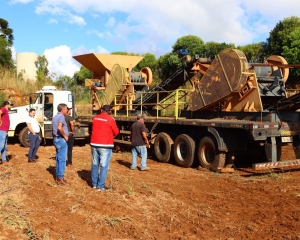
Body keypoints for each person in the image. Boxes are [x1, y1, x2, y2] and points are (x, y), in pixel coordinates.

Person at [90, 105, 119, 191]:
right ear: (109, 111)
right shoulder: (110, 119)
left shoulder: (95, 118)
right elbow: (116, 131)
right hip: (105, 145)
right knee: (103, 165)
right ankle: (101, 186)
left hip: (94, 143)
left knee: (95, 164)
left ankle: (94, 184)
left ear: (101, 110)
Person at [52, 103, 69, 185]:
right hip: (61, 139)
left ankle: (58, 176)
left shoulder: (55, 117)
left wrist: (54, 138)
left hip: (56, 139)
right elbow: (59, 127)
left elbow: (53, 129)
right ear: (62, 110)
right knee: (62, 159)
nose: (67, 110)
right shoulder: (61, 116)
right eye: (66, 109)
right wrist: (65, 136)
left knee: (58, 158)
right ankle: (60, 178)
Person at [0, 100, 13, 166]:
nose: (11, 106)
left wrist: (8, 126)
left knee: (4, 147)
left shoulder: (6, 111)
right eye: (11, 105)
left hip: (5, 131)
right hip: (2, 131)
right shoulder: (4, 109)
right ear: (7, 104)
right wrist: (0, 121)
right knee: (1, 146)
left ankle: (4, 161)